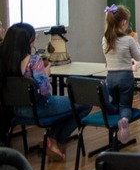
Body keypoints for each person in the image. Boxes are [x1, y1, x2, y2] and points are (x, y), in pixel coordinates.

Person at [0, 23, 89, 161]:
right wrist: (46, 74)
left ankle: (52, 140)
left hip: (16, 111)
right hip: (42, 108)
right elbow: (45, 91)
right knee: (84, 102)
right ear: (28, 40)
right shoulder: (34, 61)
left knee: (70, 108)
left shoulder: (4, 62)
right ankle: (54, 139)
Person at [102, 4, 140, 144]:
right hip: (125, 77)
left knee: (114, 102)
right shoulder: (129, 40)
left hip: (110, 77)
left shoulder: (105, 39)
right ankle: (124, 120)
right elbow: (138, 57)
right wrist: (136, 42)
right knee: (125, 106)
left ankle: (111, 110)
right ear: (124, 23)